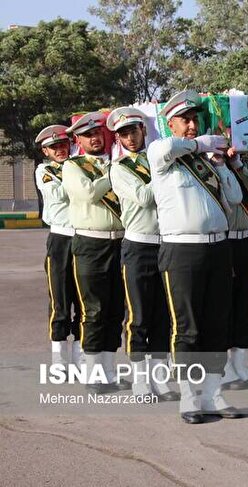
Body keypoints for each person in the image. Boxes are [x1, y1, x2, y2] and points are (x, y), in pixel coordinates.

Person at [147, 89, 247, 423]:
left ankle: (213, 394)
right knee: (187, 327)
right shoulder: (162, 154)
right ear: (170, 123)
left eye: (195, 120)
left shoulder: (207, 162)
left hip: (219, 247)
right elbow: (166, 148)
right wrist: (201, 144)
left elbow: (234, 197)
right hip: (182, 249)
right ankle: (189, 398)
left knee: (217, 322)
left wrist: (224, 164)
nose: (191, 126)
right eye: (185, 120)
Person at [107, 107, 179, 401]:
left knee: (164, 314)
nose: (130, 138)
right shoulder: (120, 168)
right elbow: (145, 197)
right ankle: (140, 379)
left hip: (167, 243)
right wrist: (165, 172)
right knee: (139, 315)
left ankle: (160, 379)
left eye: (133, 131)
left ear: (144, 130)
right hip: (138, 246)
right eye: (123, 134)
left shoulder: (157, 158)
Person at [63, 111, 129, 393]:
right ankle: (93, 374)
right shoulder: (73, 166)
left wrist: (114, 169)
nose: (94, 138)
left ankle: (109, 371)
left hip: (121, 242)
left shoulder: (119, 164)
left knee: (116, 309)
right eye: (88, 135)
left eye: (97, 133)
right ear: (78, 139)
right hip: (90, 244)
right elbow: (89, 193)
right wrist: (113, 174)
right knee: (94, 309)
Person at [34, 125, 82, 369]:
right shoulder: (45, 170)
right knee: (60, 300)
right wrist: (82, 185)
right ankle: (58, 359)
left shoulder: (80, 165)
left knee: (83, 300)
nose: (60, 150)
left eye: (63, 145)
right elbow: (60, 194)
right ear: (45, 151)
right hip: (60, 239)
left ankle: (80, 357)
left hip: (84, 238)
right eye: (54, 147)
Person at [220, 149, 248, 390]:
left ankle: (241, 364)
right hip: (222, 239)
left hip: (246, 238)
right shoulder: (207, 160)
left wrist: (237, 163)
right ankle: (225, 366)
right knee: (223, 303)